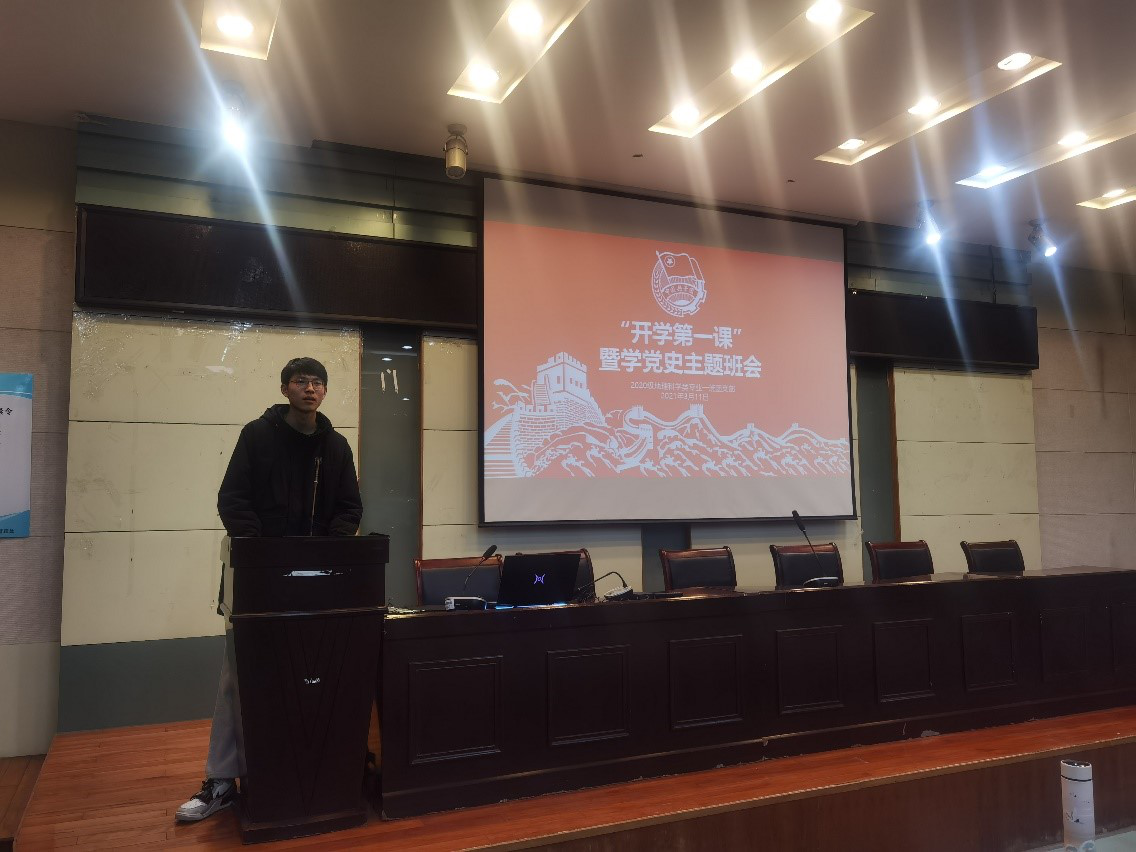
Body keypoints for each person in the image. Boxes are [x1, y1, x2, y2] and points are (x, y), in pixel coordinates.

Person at [175, 356, 363, 822]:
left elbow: (349, 508)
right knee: (237, 682)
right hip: (258, 586)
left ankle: (305, 775)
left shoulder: (336, 446)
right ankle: (222, 779)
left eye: (318, 382)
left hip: (318, 587)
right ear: (285, 389)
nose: (310, 389)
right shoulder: (257, 436)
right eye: (301, 381)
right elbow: (233, 500)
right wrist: (263, 555)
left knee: (313, 679)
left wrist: (326, 552)